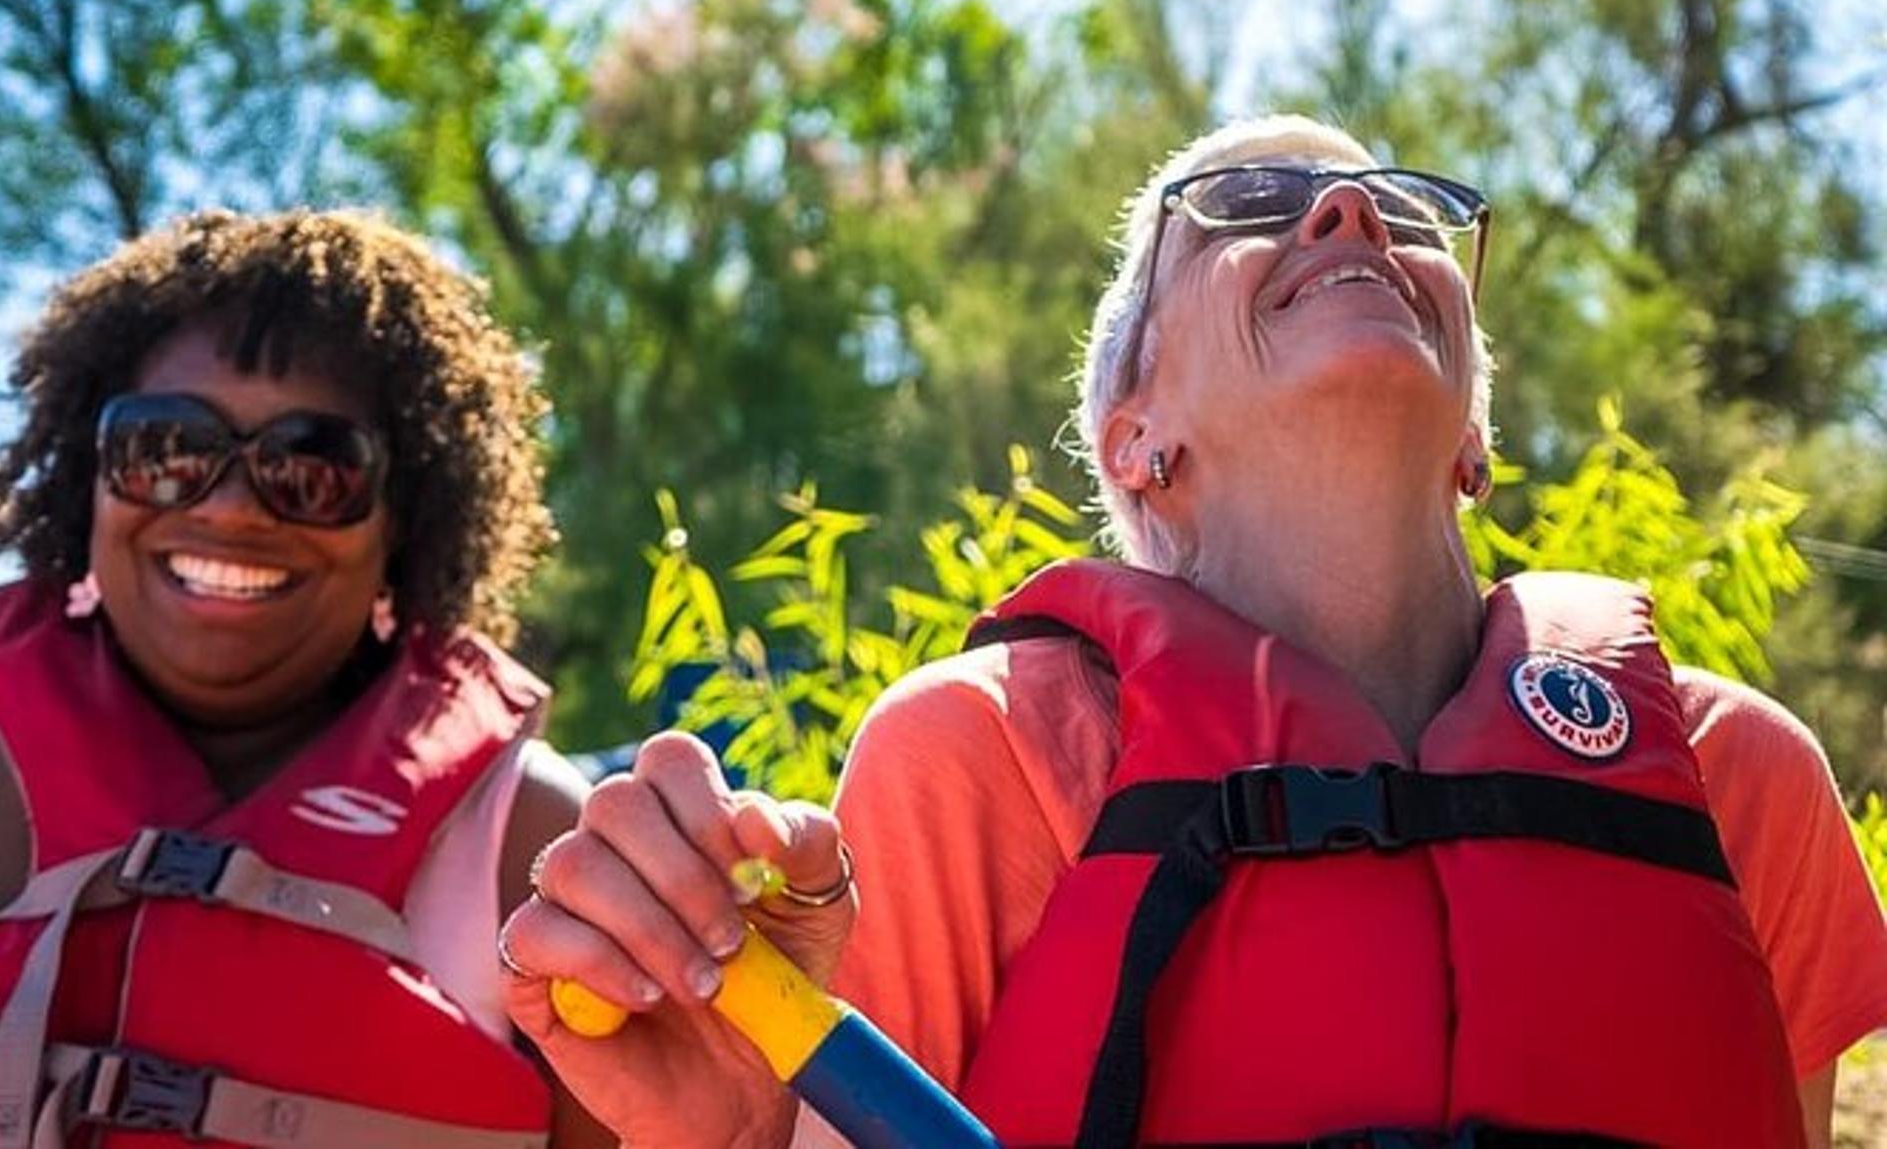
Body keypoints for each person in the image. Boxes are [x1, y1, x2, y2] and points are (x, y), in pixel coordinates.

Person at [500, 115, 1887, 1147]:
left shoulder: (1734, 773)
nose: (1352, 209)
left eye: (1405, 210)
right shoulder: (976, 755)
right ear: (1137, 435)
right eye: (1247, 204)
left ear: (1473, 434)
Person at [0, 209, 618, 1145]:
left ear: (404, 522)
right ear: (87, 481)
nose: (236, 508)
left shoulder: (530, 852)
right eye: (167, 451)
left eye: (313, 466)